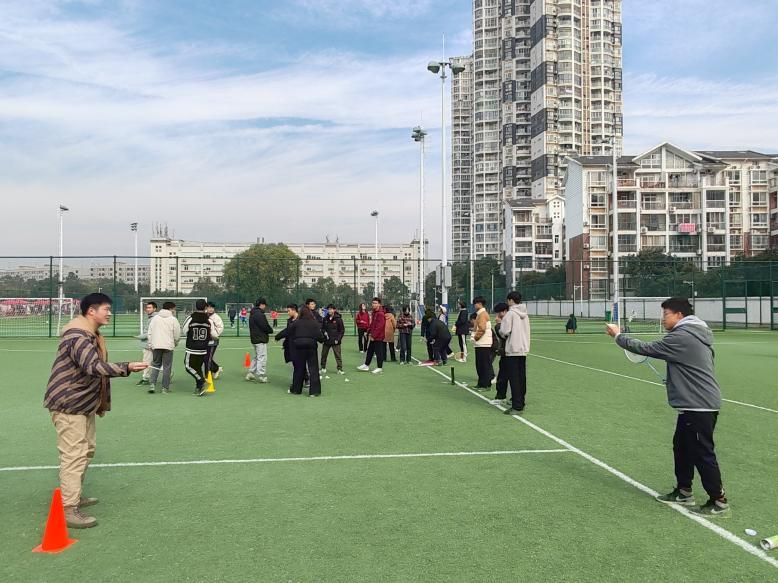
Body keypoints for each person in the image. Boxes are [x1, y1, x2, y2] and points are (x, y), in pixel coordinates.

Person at [606, 297, 730, 517]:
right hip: (692, 404)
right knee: (681, 447)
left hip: (699, 405)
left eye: (665, 314)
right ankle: (684, 492)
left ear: (679, 315)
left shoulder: (683, 336)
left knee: (702, 453)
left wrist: (618, 335)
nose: (662, 319)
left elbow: (646, 348)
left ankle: (719, 502)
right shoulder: (692, 334)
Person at [43, 293, 148, 528]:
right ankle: (68, 507)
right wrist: (126, 367)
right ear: (91, 311)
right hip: (69, 404)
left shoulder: (91, 334)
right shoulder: (79, 336)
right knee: (74, 454)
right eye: (106, 309)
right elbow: (93, 367)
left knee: (86, 450)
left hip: (82, 404)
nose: (109, 313)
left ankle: (73, 495)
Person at [497, 291, 531, 414]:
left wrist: (500, 328)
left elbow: (504, 331)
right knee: (521, 378)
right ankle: (521, 402)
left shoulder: (510, 314)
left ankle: (517, 406)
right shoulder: (525, 314)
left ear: (511, 300)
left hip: (512, 350)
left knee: (514, 379)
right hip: (523, 349)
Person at [286, 306, 325, 396]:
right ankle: (314, 392)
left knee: (299, 369)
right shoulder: (314, 323)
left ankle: (296, 390)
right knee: (313, 369)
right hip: (311, 346)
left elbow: (289, 331)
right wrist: (322, 340)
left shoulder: (297, 322)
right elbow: (319, 336)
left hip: (299, 346)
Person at [146, 301, 181, 394]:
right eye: (174, 309)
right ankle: (165, 388)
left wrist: (150, 343)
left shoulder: (155, 318)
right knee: (167, 367)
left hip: (156, 345)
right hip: (168, 346)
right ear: (170, 309)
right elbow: (177, 334)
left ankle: (152, 384)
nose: (174, 311)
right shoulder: (173, 319)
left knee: (155, 365)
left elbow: (150, 332)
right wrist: (175, 343)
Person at [182, 299, 213, 396]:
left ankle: (201, 380)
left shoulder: (191, 318)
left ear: (196, 307)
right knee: (198, 367)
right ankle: (199, 388)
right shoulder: (208, 320)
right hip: (203, 348)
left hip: (192, 347)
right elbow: (211, 333)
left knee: (188, 366)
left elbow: (184, 330)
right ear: (205, 307)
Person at [247, 298, 273, 383]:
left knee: (258, 356)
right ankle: (261, 375)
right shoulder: (259, 314)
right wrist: (270, 330)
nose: (265, 307)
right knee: (262, 357)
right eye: (264, 305)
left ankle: (251, 372)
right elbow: (264, 326)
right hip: (260, 338)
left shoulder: (253, 313)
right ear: (261, 305)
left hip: (255, 338)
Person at [489, 303, 510, 406]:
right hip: (506, 352)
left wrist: (498, 325)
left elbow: (504, 336)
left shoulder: (509, 320)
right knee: (502, 376)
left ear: (505, 311)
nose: (497, 316)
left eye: (499, 313)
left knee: (505, 376)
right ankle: (501, 396)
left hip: (510, 353)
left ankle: (504, 397)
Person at [358, 297, 386, 374]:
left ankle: (379, 368)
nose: (373, 304)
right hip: (373, 336)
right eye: (373, 303)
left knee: (379, 352)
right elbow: (372, 324)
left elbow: (380, 326)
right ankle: (366, 365)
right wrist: (368, 332)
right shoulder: (374, 313)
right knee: (370, 351)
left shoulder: (380, 314)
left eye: (375, 303)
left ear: (379, 304)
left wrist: (374, 336)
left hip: (378, 337)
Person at [472, 296, 494, 389]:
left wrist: (475, 338)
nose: (474, 305)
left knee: (484, 365)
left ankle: (486, 384)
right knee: (480, 365)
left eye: (475, 303)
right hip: (481, 343)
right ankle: (481, 383)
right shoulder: (480, 314)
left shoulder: (482, 314)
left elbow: (482, 329)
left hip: (483, 343)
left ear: (480, 304)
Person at [275, 304, 299, 389]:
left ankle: (297, 383)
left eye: (289, 311)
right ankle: (303, 379)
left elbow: (287, 331)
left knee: (298, 365)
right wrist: (284, 342)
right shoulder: (290, 320)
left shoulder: (300, 320)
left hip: (299, 345)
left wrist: (278, 336)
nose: (288, 312)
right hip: (291, 345)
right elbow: (287, 332)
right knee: (296, 364)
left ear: (294, 310)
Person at [136, 301, 158, 386]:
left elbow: (150, 332)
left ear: (154, 309)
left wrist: (139, 337)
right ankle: (167, 374)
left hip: (149, 344)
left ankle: (145, 378)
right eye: (147, 307)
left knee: (146, 362)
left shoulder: (154, 318)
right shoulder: (153, 317)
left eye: (149, 308)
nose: (147, 309)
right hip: (152, 344)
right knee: (156, 361)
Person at [321, 304, 345, 374]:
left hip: (335, 341)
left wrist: (338, 339)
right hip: (327, 340)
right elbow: (322, 328)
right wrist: (324, 332)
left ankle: (339, 369)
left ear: (334, 310)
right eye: (328, 309)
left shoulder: (338, 319)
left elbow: (342, 330)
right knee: (324, 355)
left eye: (331, 309)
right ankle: (323, 368)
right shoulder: (325, 319)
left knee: (338, 355)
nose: (329, 311)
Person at [206, 302, 224, 379]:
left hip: (213, 341)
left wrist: (213, 335)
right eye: (209, 307)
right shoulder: (204, 315)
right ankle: (216, 369)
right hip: (205, 341)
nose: (210, 309)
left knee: (207, 358)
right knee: (205, 358)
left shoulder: (216, 317)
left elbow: (220, 328)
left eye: (212, 308)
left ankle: (208, 375)